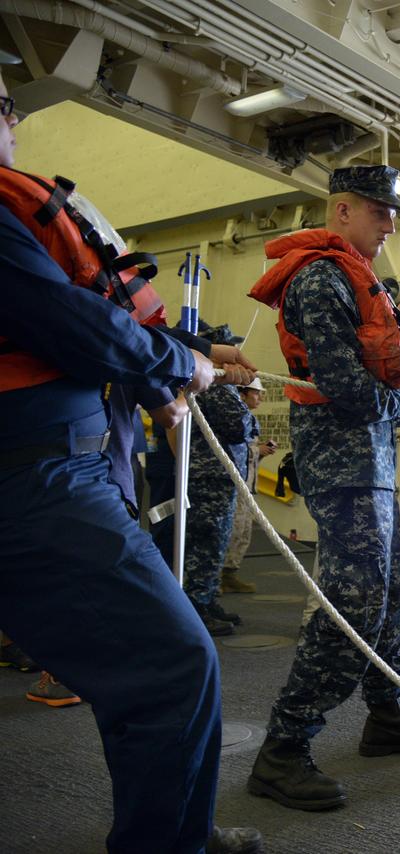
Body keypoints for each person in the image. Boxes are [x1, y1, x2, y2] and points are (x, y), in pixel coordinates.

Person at [0, 67, 260, 852]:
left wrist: (188, 350)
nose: (10, 124)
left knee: (149, 672)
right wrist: (175, 367)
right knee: (171, 666)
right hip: (34, 476)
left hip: (56, 466)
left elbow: (78, 306)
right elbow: (59, 316)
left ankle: (175, 822)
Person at [246, 165, 400, 812]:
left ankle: (387, 714)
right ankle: (284, 747)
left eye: (392, 211)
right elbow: (345, 386)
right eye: (377, 210)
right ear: (341, 211)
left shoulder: (356, 277)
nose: (390, 222)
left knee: (386, 593)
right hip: (342, 461)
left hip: (369, 460)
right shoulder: (319, 279)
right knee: (355, 599)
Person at [176, 323, 257, 636]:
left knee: (211, 543)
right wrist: (250, 422)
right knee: (207, 543)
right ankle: (198, 604)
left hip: (209, 474)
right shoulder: (217, 385)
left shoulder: (203, 382)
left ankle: (205, 599)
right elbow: (238, 425)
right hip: (211, 475)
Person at [222, 377, 276, 594]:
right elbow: (231, 453)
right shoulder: (231, 419)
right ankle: (216, 577)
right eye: (256, 393)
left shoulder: (248, 419)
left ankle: (229, 574)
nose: (260, 397)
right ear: (242, 394)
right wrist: (257, 450)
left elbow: (247, 457)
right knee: (230, 530)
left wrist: (259, 453)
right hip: (234, 486)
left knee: (243, 532)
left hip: (247, 486)